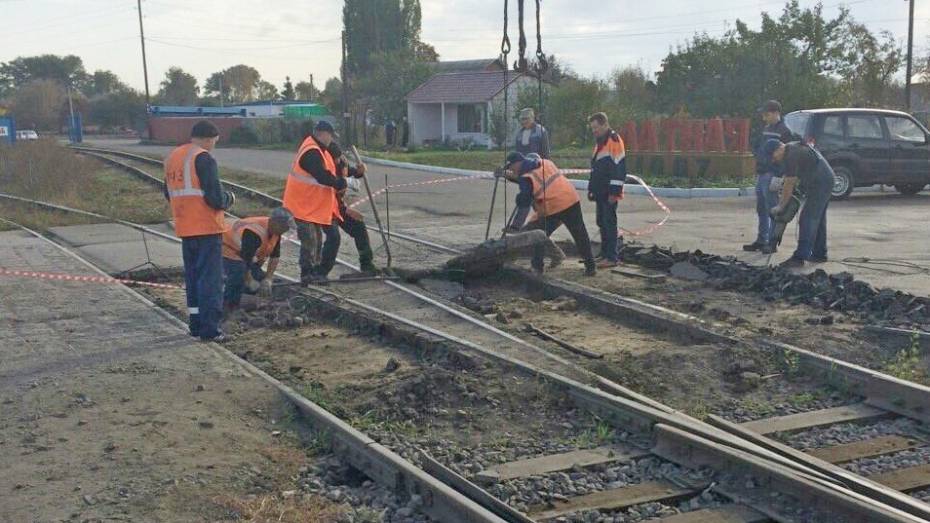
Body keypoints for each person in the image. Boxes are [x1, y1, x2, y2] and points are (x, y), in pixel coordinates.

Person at [163, 120, 235, 342]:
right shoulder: (203, 158)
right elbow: (214, 197)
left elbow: (168, 192)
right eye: (214, 141)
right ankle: (210, 329)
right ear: (208, 138)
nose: (214, 145)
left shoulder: (173, 157)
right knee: (210, 280)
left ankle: (195, 324)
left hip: (185, 227)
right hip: (206, 227)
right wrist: (229, 199)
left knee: (193, 277)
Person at [282, 120, 369, 283]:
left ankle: (320, 272)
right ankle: (308, 275)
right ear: (323, 133)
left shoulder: (324, 151)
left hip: (321, 205)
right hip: (303, 204)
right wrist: (345, 182)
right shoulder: (311, 152)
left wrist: (356, 173)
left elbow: (336, 171)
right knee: (311, 241)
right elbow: (323, 176)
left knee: (332, 237)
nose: (332, 140)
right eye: (331, 136)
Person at [499, 151, 597, 276]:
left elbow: (525, 200)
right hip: (571, 200)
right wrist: (508, 176)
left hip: (552, 207)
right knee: (580, 235)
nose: (512, 170)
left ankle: (537, 267)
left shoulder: (526, 178)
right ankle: (591, 267)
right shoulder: (546, 163)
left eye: (511, 168)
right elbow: (539, 181)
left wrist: (518, 205)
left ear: (517, 164)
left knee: (538, 236)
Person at [763, 139, 833, 268]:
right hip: (824, 179)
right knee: (818, 218)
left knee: (807, 218)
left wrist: (781, 206)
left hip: (821, 182)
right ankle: (819, 253)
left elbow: (790, 183)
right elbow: (789, 178)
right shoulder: (791, 149)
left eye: (773, 156)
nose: (774, 160)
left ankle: (800, 257)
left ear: (778, 149)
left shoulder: (792, 154)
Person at [745, 100, 794, 254]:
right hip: (761, 173)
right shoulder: (767, 128)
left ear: (775, 113)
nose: (764, 118)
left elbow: (786, 156)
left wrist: (779, 176)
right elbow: (760, 147)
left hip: (772, 174)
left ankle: (772, 242)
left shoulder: (785, 132)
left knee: (772, 209)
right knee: (761, 209)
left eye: (766, 114)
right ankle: (762, 239)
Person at [221, 208, 294, 311]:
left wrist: (268, 278)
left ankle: (243, 296)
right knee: (238, 275)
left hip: (242, 255)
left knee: (259, 277)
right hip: (225, 249)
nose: (286, 230)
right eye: (285, 227)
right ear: (275, 222)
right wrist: (250, 281)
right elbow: (245, 260)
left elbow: (275, 256)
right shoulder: (254, 232)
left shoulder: (276, 232)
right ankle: (228, 306)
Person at [327, 141, 378, 274]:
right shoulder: (322, 167)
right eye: (335, 159)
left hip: (337, 207)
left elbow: (350, 172)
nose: (337, 161)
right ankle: (320, 272)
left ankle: (366, 264)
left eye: (338, 158)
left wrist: (359, 172)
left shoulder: (341, 163)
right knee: (333, 237)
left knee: (358, 227)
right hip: (323, 208)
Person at [587, 112, 626, 269]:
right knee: (601, 222)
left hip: (609, 192)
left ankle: (611, 257)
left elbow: (619, 169)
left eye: (596, 128)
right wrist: (592, 189)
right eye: (592, 128)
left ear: (605, 124)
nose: (594, 131)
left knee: (609, 224)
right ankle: (604, 254)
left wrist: (614, 193)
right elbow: (596, 168)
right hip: (600, 191)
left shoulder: (614, 141)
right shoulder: (600, 142)